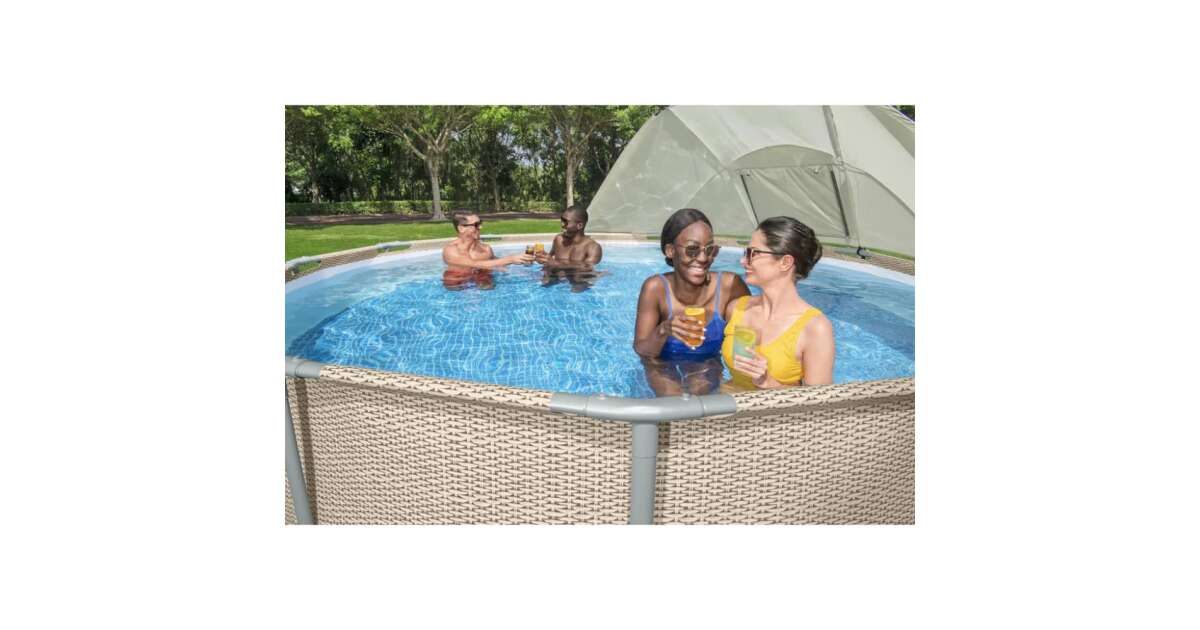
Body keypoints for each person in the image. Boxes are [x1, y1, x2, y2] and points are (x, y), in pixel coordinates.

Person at [633, 208, 751, 396]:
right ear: (671, 251)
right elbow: (643, 350)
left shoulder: (729, 286)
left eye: (710, 250)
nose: (703, 259)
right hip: (661, 364)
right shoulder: (655, 289)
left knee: (700, 394)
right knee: (672, 399)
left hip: (707, 363)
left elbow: (751, 337)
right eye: (692, 250)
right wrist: (663, 330)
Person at [721, 216, 835, 389]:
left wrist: (768, 382)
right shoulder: (738, 308)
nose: (743, 261)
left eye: (753, 253)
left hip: (773, 408)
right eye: (746, 253)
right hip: (725, 401)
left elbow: (820, 401)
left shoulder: (815, 328)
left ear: (785, 262)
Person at [442, 211, 533, 290]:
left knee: (488, 286)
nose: (481, 227)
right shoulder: (451, 250)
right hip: (457, 277)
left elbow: (496, 263)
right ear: (461, 228)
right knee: (453, 286)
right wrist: (510, 259)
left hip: (480, 274)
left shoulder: (486, 249)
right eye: (476, 225)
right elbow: (473, 263)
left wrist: (522, 261)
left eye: (480, 223)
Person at [535, 205, 604, 292]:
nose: (562, 225)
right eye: (562, 221)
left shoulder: (593, 247)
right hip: (559, 275)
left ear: (579, 225)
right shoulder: (558, 240)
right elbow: (550, 258)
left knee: (578, 284)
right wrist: (543, 258)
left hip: (579, 279)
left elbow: (587, 268)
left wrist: (557, 264)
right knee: (543, 285)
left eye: (566, 222)